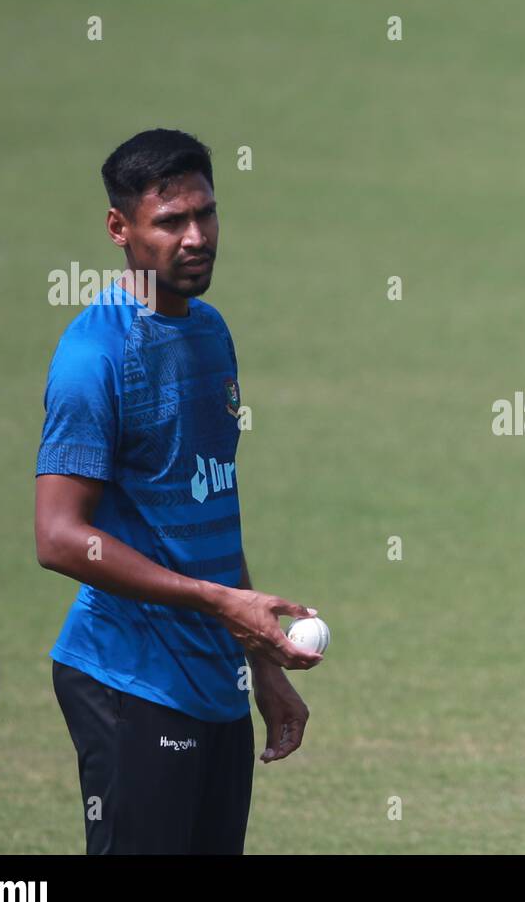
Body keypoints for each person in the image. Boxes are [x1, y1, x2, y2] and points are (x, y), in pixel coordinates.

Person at [35, 128, 321, 854]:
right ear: (118, 228)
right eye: (170, 221)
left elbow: (208, 506)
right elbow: (59, 536)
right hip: (130, 681)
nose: (196, 237)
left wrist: (260, 661)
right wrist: (222, 605)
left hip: (212, 681)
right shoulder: (93, 357)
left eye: (206, 214)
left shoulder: (209, 332)